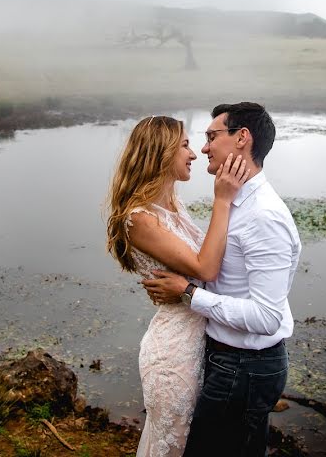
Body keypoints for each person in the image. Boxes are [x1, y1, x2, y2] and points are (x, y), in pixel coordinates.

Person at [142, 102, 302, 457]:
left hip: (245, 367)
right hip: (227, 361)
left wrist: (188, 293)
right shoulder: (234, 202)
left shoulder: (263, 216)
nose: (203, 148)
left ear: (242, 138)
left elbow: (266, 317)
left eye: (211, 136)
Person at [106, 115, 250, 457]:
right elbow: (206, 267)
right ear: (161, 152)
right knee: (175, 446)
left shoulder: (171, 206)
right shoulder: (139, 219)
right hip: (175, 354)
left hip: (201, 341)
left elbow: (203, 263)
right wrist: (223, 199)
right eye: (185, 145)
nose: (194, 154)